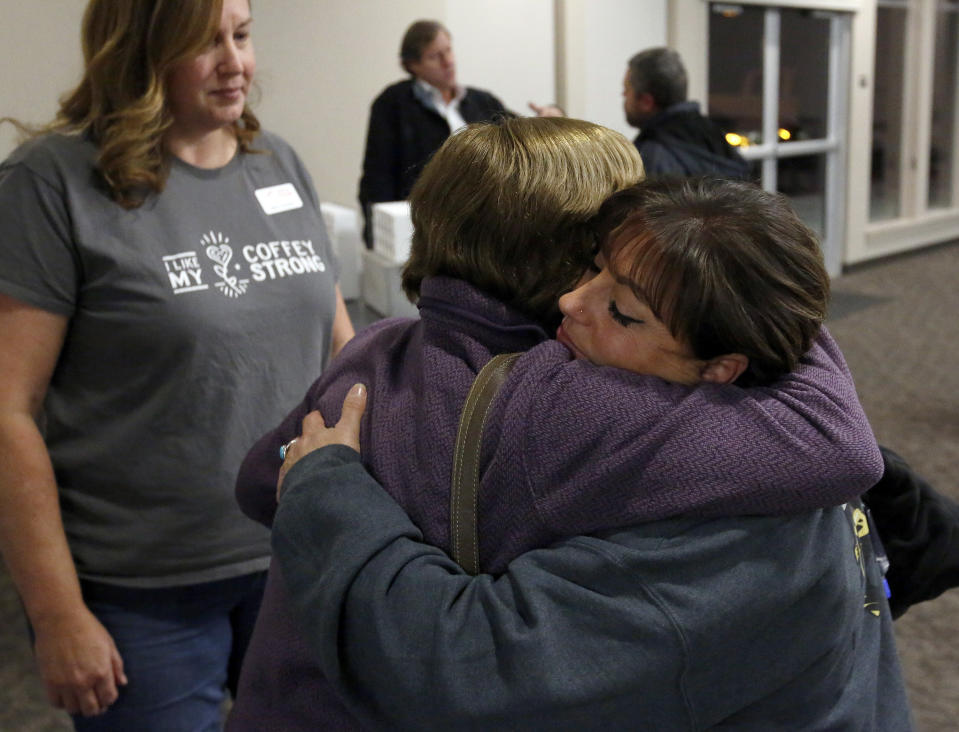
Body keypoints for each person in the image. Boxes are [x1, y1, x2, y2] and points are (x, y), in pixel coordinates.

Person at [228, 120, 884, 729]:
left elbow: (260, 481)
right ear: (575, 254)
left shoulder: (378, 350)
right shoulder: (567, 398)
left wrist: (322, 479)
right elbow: (827, 442)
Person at [0, 0, 352, 728]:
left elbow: (341, 351)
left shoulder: (277, 163)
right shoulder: (53, 181)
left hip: (297, 559)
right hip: (142, 591)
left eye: (244, 36)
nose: (236, 64)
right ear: (139, 52)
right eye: (205, 42)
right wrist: (57, 612)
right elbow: (7, 410)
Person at [357, 19, 560, 246]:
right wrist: (379, 236)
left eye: (448, 50)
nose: (448, 62)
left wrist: (549, 119)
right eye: (435, 57)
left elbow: (520, 137)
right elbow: (377, 176)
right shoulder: (393, 104)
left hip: (488, 224)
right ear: (412, 65)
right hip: (426, 229)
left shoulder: (481, 101)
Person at [625, 47, 750, 179]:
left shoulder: (653, 154)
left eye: (626, 91)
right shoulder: (714, 136)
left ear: (646, 102)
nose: (623, 95)